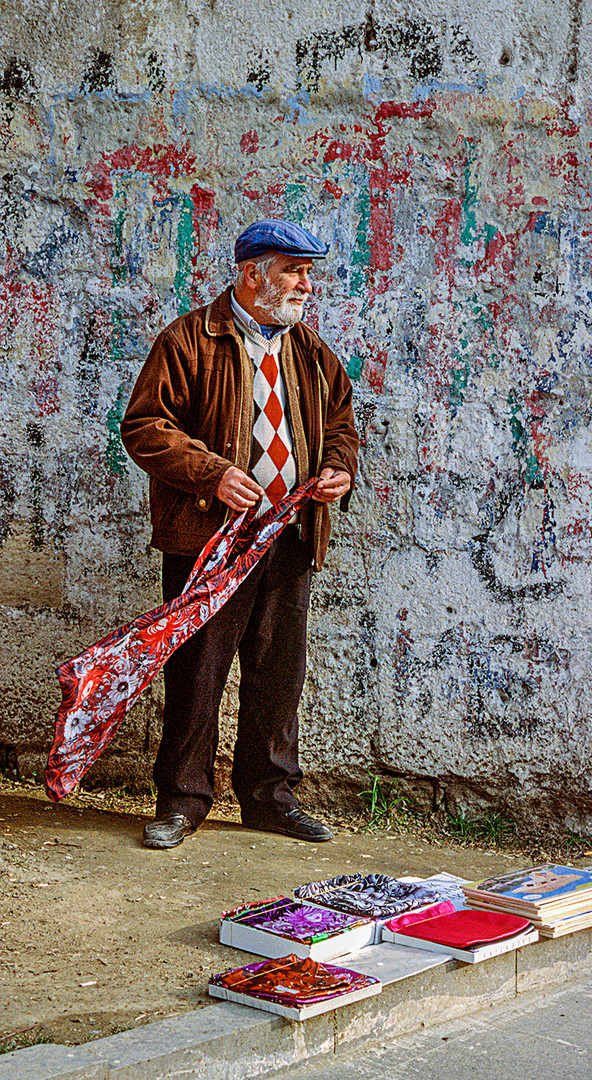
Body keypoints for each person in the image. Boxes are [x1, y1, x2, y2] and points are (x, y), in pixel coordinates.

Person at [120, 219, 358, 848]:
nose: (307, 284)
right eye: (295, 270)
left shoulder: (308, 349)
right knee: (198, 672)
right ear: (254, 273)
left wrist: (338, 467)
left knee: (279, 673)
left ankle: (269, 798)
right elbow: (145, 426)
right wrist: (213, 474)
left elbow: (340, 422)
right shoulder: (190, 339)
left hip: (288, 535)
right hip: (210, 539)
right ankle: (182, 800)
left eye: (308, 272)